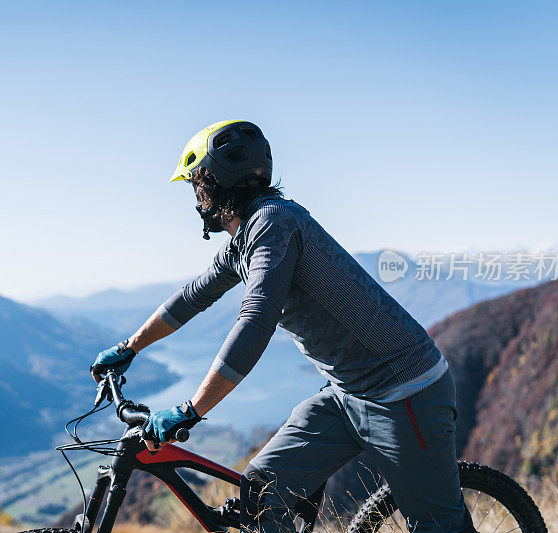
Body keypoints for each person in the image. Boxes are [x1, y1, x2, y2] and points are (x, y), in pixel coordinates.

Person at [90, 120, 477, 532]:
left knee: (440, 526)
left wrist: (190, 409)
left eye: (195, 184)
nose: (195, 197)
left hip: (405, 392)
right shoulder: (244, 240)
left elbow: (256, 321)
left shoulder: (274, 222)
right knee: (261, 490)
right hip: (348, 394)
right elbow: (191, 297)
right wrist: (130, 347)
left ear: (214, 183)